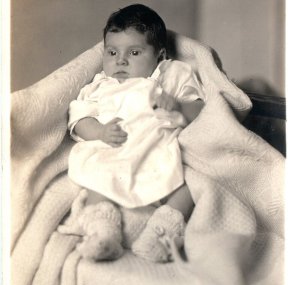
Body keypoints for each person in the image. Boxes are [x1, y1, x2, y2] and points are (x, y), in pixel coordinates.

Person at [66, 4, 204, 262]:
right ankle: (103, 232)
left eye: (134, 52)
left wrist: (177, 104)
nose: (121, 60)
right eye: (112, 52)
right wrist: (100, 131)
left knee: (187, 187)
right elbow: (79, 118)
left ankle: (161, 235)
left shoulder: (171, 74)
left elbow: (200, 109)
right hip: (111, 148)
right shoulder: (100, 85)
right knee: (95, 178)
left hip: (156, 148)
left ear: (160, 56)